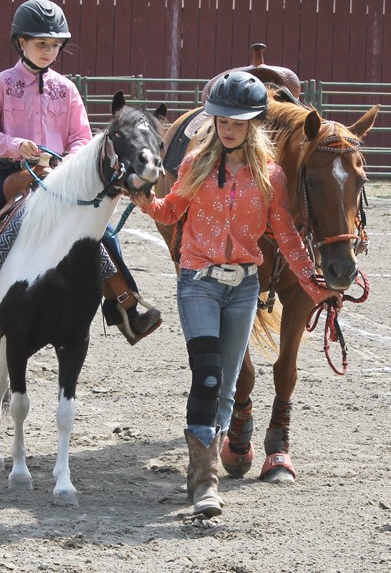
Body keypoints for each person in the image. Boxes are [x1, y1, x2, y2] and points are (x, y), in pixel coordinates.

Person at [131, 71, 341, 518]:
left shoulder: (271, 177)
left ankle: (210, 458)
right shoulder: (194, 165)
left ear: (253, 125)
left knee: (226, 387)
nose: (229, 127)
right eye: (223, 119)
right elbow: (171, 211)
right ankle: (205, 482)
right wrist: (143, 197)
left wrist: (315, 287)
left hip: (244, 286)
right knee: (207, 374)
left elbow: (286, 236)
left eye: (239, 121)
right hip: (198, 283)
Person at [0, 0, 160, 344]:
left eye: (55, 45)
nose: (49, 51)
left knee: (107, 233)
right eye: (41, 43)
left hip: (59, 178)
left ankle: (126, 306)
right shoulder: (1, 84)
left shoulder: (66, 90)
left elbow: (81, 138)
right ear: (21, 42)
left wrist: (70, 163)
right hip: (9, 174)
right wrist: (13, 145)